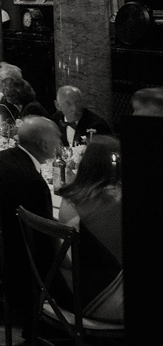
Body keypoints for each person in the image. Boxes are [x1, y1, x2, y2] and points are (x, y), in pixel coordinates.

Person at [0, 116, 60, 333]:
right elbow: (43, 242)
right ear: (44, 144)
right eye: (57, 139)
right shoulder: (32, 181)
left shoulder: (0, 158)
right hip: (15, 261)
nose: (59, 144)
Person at [57, 135, 124, 324]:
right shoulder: (114, 201)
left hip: (69, 290)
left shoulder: (70, 197)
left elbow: (67, 259)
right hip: (100, 299)